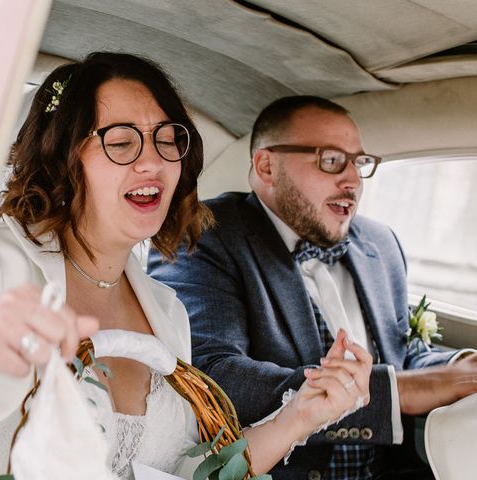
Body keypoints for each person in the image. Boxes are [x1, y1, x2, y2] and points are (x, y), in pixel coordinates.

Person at [0, 58, 372, 480]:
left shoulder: (166, 311)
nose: (153, 161)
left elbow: (184, 472)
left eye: (166, 139)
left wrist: (301, 416)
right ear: (60, 158)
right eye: (120, 142)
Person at [148, 95, 477, 480]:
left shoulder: (381, 243)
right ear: (267, 166)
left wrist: (458, 368)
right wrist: (395, 392)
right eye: (332, 160)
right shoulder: (205, 236)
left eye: (360, 162)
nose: (353, 179)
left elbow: (402, 349)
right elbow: (212, 375)